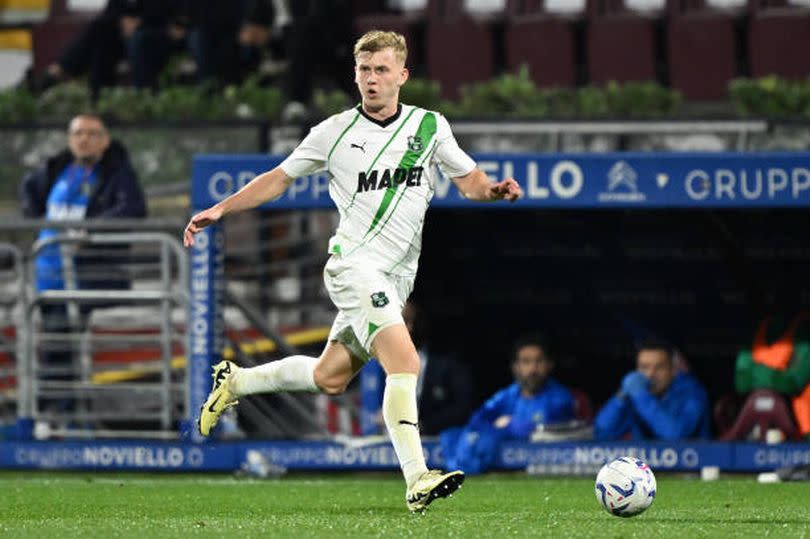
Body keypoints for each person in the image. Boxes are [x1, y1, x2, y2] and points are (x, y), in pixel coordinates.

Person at [183, 30, 522, 512]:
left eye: (381, 70)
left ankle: (236, 382)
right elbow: (278, 179)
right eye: (364, 70)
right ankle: (417, 477)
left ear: (402, 76)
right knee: (405, 363)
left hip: (396, 277)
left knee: (329, 377)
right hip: (353, 267)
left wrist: (491, 191)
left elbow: (468, 180)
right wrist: (221, 208)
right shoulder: (334, 132)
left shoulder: (430, 128)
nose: (371, 79)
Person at [19, 113, 147, 414]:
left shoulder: (118, 173)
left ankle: (61, 414)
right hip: (47, 274)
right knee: (53, 345)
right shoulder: (56, 169)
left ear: (105, 140)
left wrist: (91, 232)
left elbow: (132, 208)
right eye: (78, 133)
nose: (84, 139)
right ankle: (56, 412)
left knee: (62, 346)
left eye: (92, 133)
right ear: (69, 139)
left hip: (84, 275)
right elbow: (28, 193)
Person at [440, 333, 576, 474]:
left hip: (548, 467)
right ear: (515, 367)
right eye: (526, 361)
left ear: (549, 365)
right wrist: (496, 427)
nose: (533, 369)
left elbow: (551, 429)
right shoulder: (507, 395)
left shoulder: (560, 398)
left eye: (539, 361)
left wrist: (510, 424)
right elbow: (477, 419)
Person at [362, 300, 475, 436]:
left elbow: (462, 407)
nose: (409, 328)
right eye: (402, 322)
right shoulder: (375, 363)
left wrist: (424, 426)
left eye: (413, 321)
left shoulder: (448, 364)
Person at [39, 0, 186, 99]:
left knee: (133, 38)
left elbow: (172, 9)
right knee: (101, 31)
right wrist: (122, 20)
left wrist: (141, 21)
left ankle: (58, 70)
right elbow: (111, 11)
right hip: (126, 34)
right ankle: (98, 99)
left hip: (160, 33)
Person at [594, 337, 711, 441]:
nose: (650, 374)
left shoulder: (693, 394)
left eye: (659, 367)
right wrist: (620, 396)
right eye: (644, 367)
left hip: (693, 465)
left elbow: (676, 436)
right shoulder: (635, 392)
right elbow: (602, 433)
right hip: (645, 465)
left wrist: (641, 396)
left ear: (673, 370)